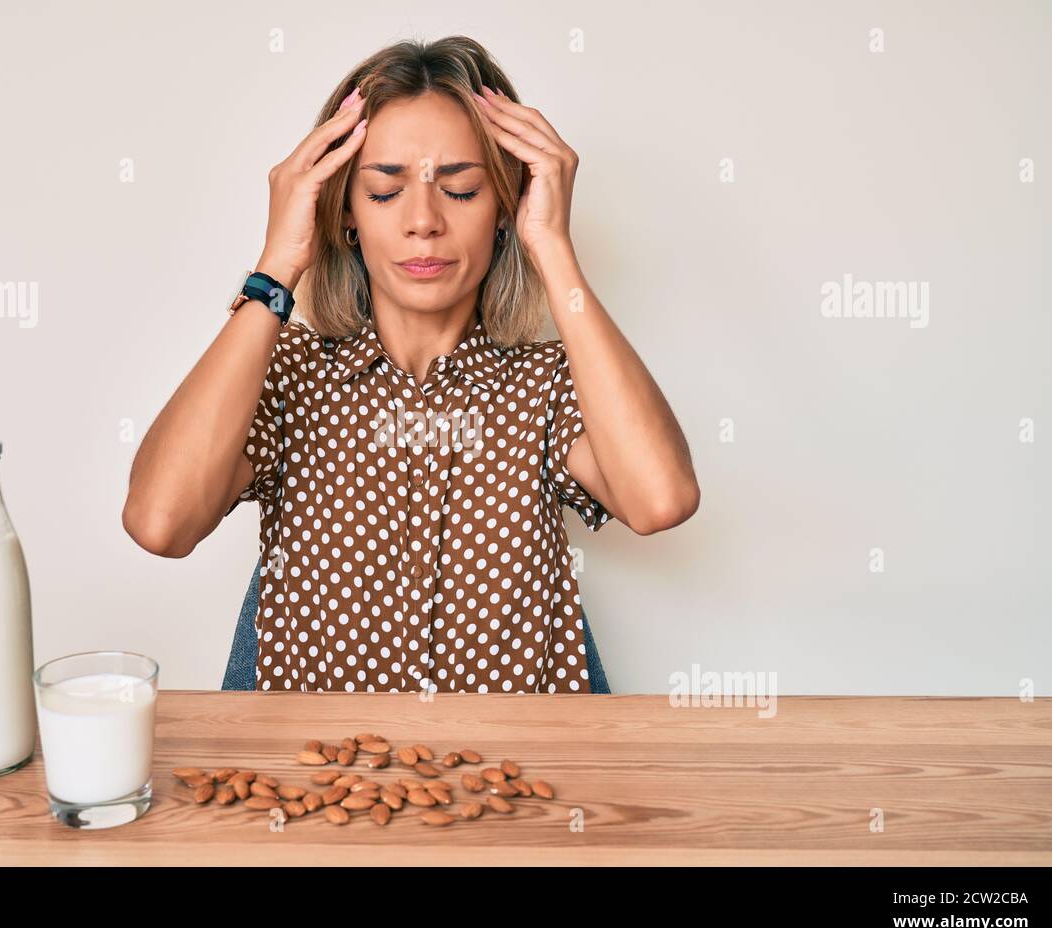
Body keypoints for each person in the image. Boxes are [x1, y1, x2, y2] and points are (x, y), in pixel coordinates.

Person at [123, 36, 699, 694]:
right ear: (343, 213)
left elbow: (661, 500)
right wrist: (276, 263)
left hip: (516, 787)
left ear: (504, 209)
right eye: (384, 191)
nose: (423, 221)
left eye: (460, 190)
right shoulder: (284, 373)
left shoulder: (550, 382)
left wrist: (552, 243)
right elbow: (160, 523)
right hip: (313, 786)